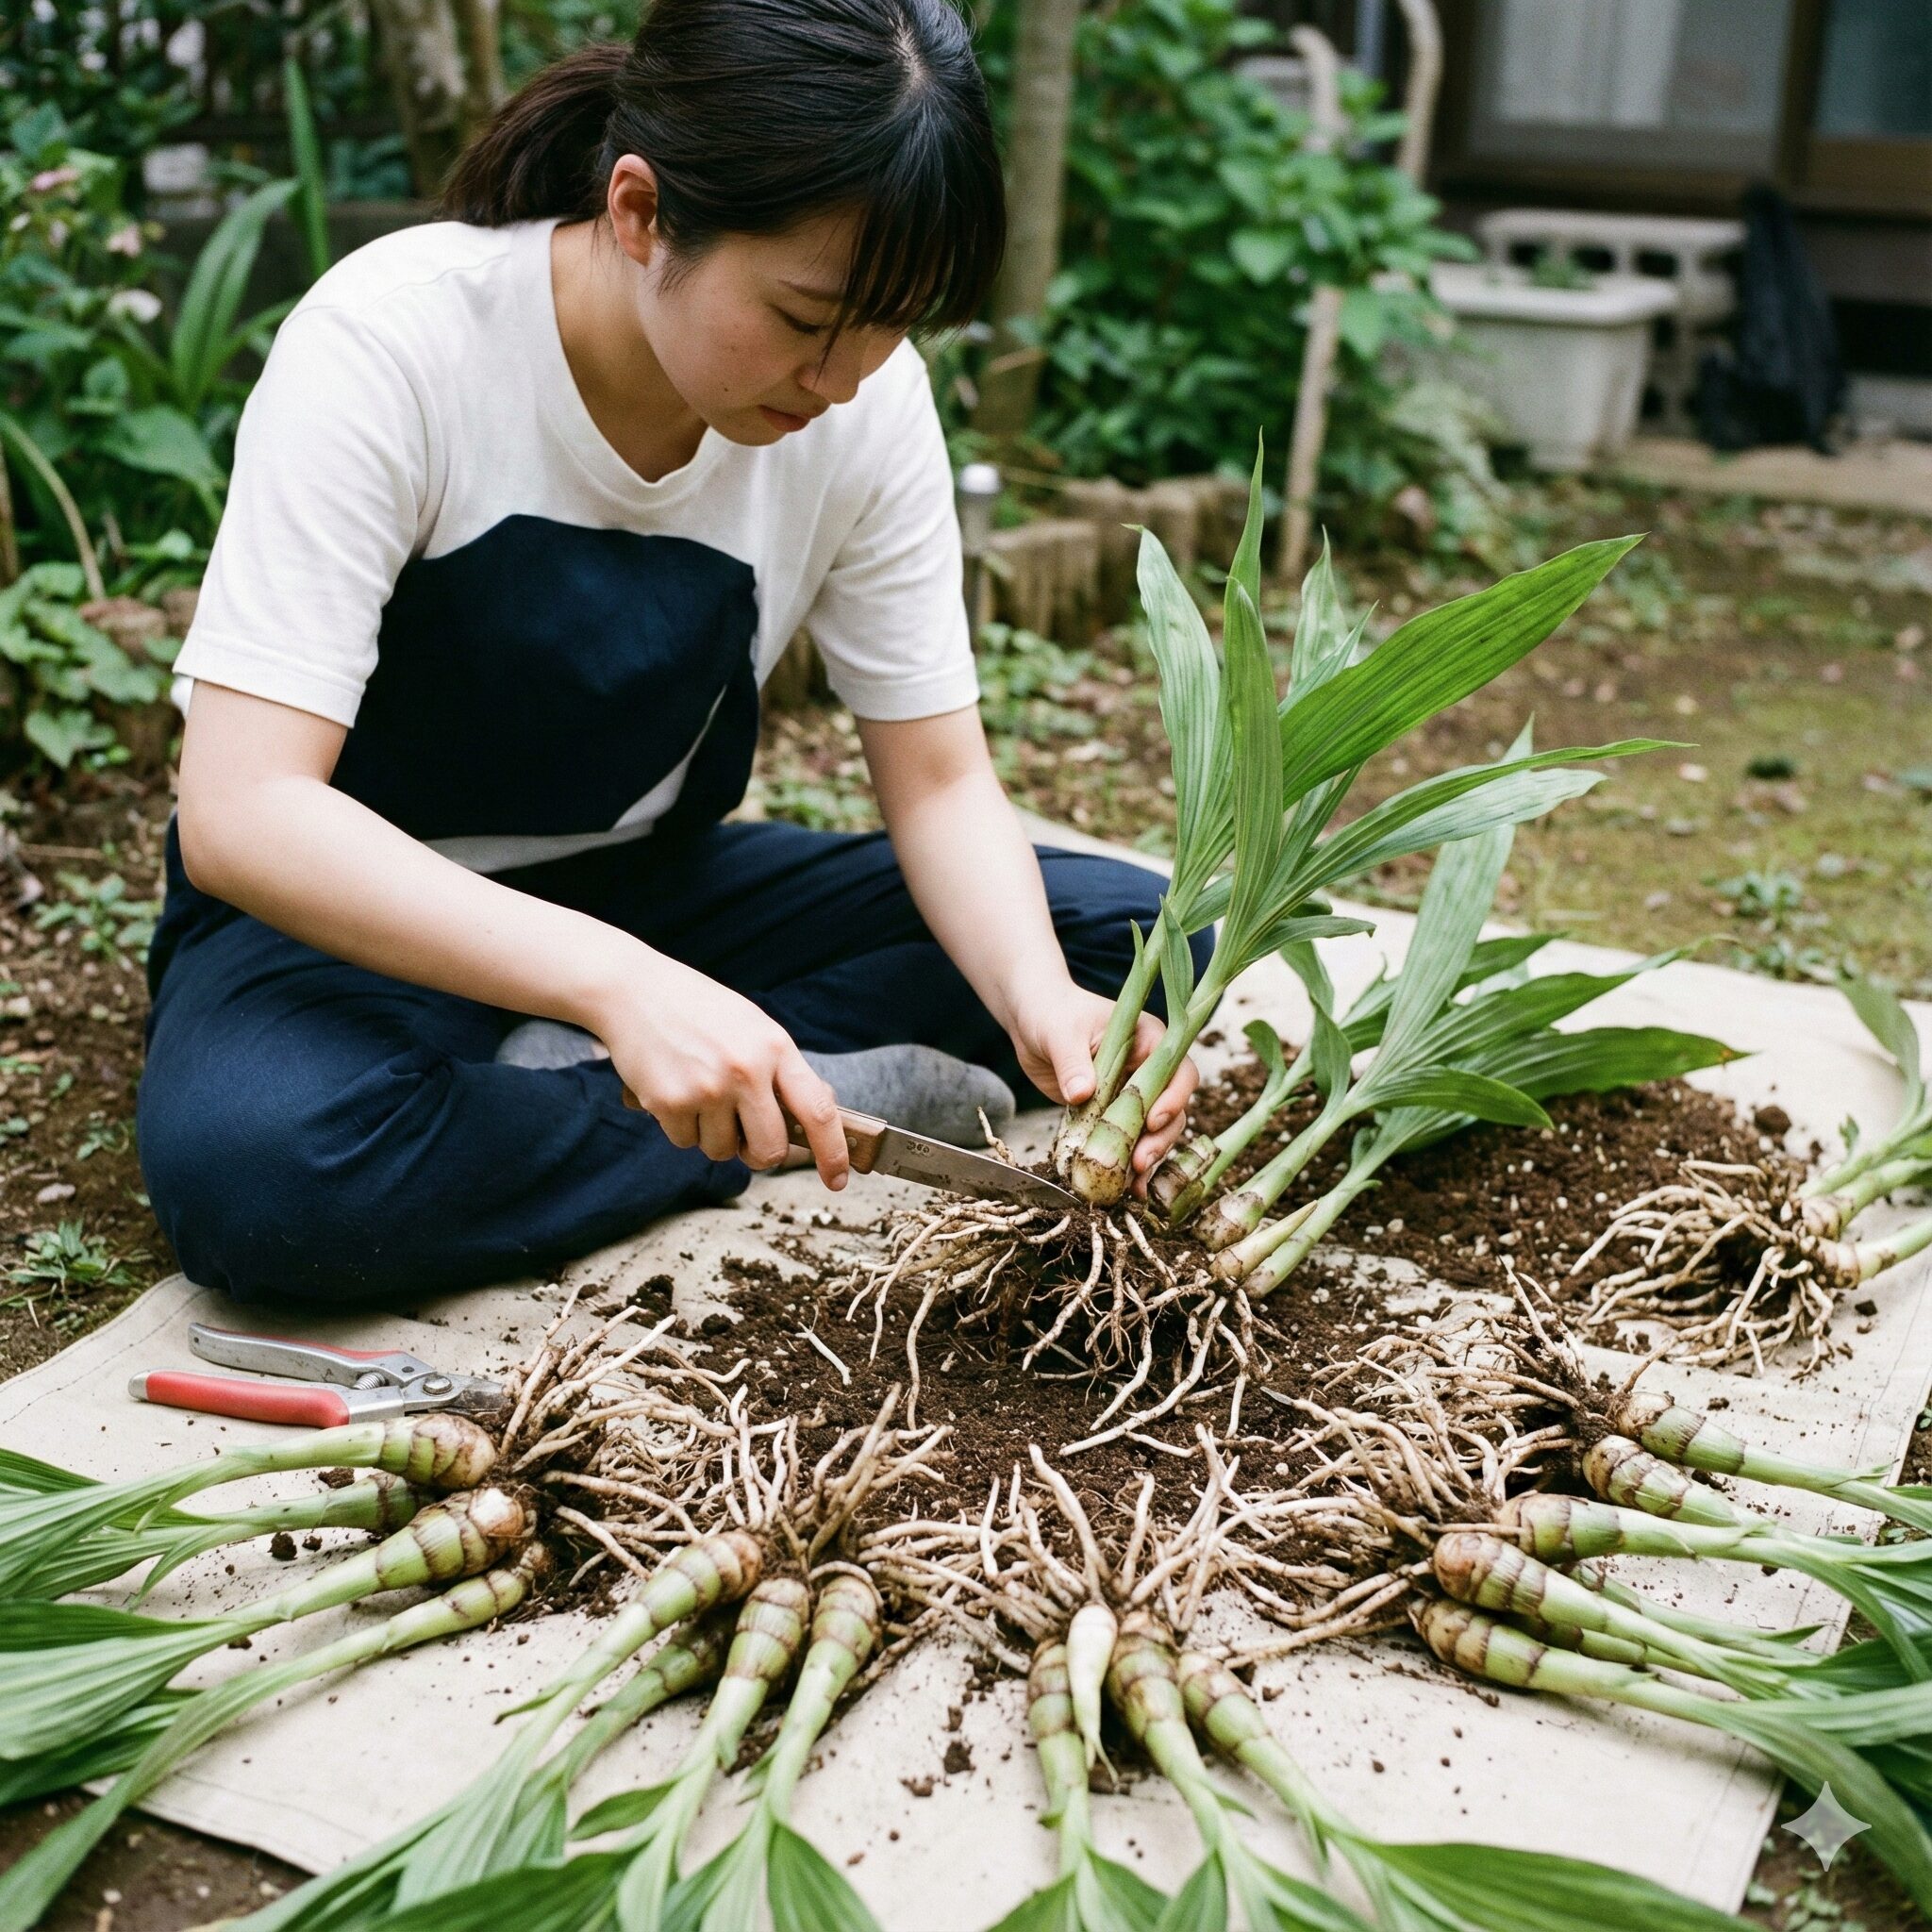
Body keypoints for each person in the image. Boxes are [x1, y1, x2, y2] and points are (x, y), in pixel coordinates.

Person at [140, 0, 1206, 1307]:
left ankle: (615, 1092)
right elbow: (242, 816)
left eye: (893, 323)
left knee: (1145, 935)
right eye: (809, 314)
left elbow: (936, 783)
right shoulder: (395, 342)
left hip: (651, 888)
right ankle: (748, 1096)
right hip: (357, 921)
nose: (847, 375)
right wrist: (622, 989)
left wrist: (1047, 1005)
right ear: (641, 213)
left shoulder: (865, 401)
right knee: (270, 1178)